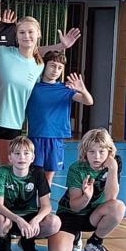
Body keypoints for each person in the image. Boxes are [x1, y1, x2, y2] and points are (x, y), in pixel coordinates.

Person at [0, 16, 45, 194]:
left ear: (38, 34)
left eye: (30, 32)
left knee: (6, 173)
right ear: (16, 35)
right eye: (21, 32)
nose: (26, 36)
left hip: (14, 125)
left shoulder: (39, 65)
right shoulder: (1, 52)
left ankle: (3, 208)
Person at [49, 128, 125, 251]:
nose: (97, 157)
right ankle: (75, 235)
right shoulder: (77, 169)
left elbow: (111, 198)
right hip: (71, 215)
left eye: (101, 152)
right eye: (91, 152)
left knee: (118, 207)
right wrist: (86, 197)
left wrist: (113, 169)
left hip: (94, 215)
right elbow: (75, 207)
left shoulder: (114, 164)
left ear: (109, 152)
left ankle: (95, 242)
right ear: (85, 152)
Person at [26, 51, 95, 184]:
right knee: (34, 174)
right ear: (45, 65)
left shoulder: (66, 89)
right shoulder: (33, 87)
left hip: (56, 138)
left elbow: (89, 101)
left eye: (59, 68)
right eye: (52, 65)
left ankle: (46, 198)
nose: (55, 70)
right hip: (36, 136)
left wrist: (83, 90)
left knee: (48, 177)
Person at [0, 136, 60, 251]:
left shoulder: (38, 172)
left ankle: (27, 241)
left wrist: (36, 220)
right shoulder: (2, 172)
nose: (21, 157)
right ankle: (4, 243)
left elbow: (46, 206)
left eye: (26, 153)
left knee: (54, 222)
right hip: (9, 217)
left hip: (30, 217)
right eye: (17, 153)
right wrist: (18, 220)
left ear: (32, 158)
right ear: (10, 158)